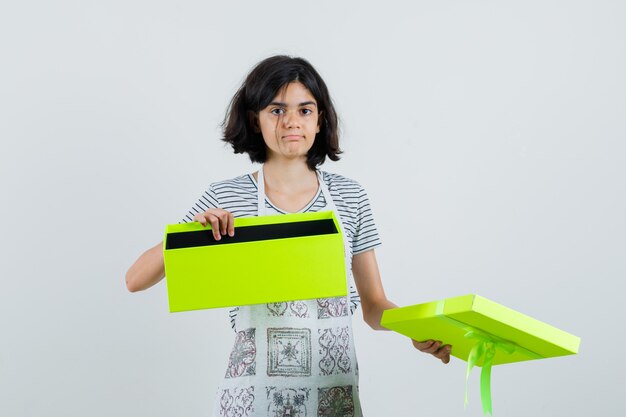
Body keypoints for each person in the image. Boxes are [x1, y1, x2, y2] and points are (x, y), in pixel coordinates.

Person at [125, 55, 451, 417]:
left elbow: (373, 306)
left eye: (305, 110)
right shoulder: (225, 198)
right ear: (255, 119)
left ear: (320, 118)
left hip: (333, 397)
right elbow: (135, 280)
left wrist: (416, 329)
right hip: (252, 400)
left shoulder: (350, 196)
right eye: (276, 110)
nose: (292, 122)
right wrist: (192, 234)